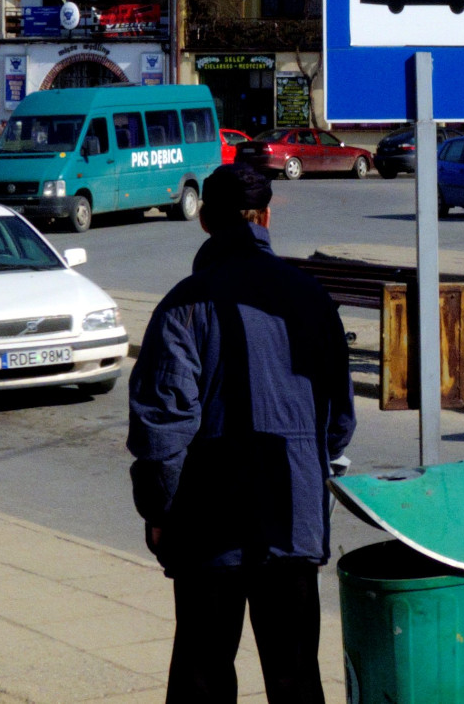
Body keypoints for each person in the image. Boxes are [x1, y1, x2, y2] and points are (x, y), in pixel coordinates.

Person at [127, 164, 355, 704]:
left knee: (203, 672)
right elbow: (340, 420)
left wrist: (159, 513)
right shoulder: (309, 297)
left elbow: (162, 429)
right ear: (267, 217)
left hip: (208, 523)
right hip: (292, 516)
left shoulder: (184, 304)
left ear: (205, 220)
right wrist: (313, 478)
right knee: (295, 674)